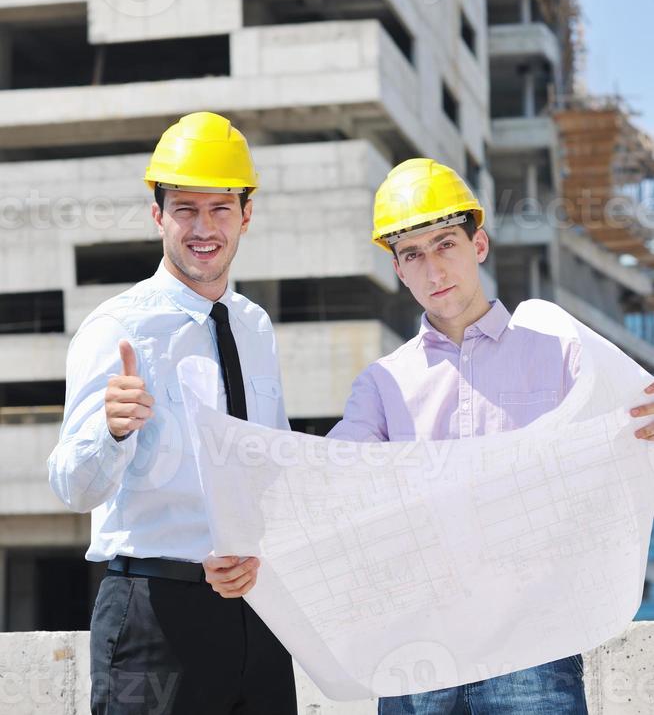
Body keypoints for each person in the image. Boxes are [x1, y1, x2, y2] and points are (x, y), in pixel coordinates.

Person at [327, 156, 654, 715]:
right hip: (418, 651)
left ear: (478, 245)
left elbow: (626, 435)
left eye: (445, 244)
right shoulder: (382, 386)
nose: (433, 270)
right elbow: (328, 481)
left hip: (533, 646)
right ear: (397, 270)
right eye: (413, 255)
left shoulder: (559, 353)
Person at [48, 112, 297, 715]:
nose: (203, 227)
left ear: (246, 214)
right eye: (185, 208)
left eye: (220, 208)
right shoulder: (118, 327)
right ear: (157, 214)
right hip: (156, 616)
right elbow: (72, 487)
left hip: (260, 614)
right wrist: (109, 430)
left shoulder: (255, 326)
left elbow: (273, 467)